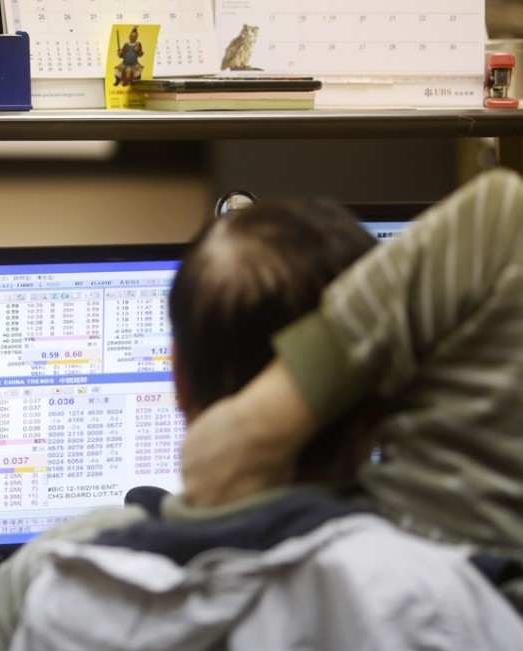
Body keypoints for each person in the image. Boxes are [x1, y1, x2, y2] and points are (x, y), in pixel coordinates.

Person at [0, 170, 523, 651]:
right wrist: (285, 405)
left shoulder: (66, 576)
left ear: (178, 380)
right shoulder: (449, 584)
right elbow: (502, 225)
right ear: (382, 396)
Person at [180, 168, 523, 571]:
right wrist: (268, 413)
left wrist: (250, 432)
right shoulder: (460, 575)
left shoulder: (107, 571)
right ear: (381, 405)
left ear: (180, 383)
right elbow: (503, 221)